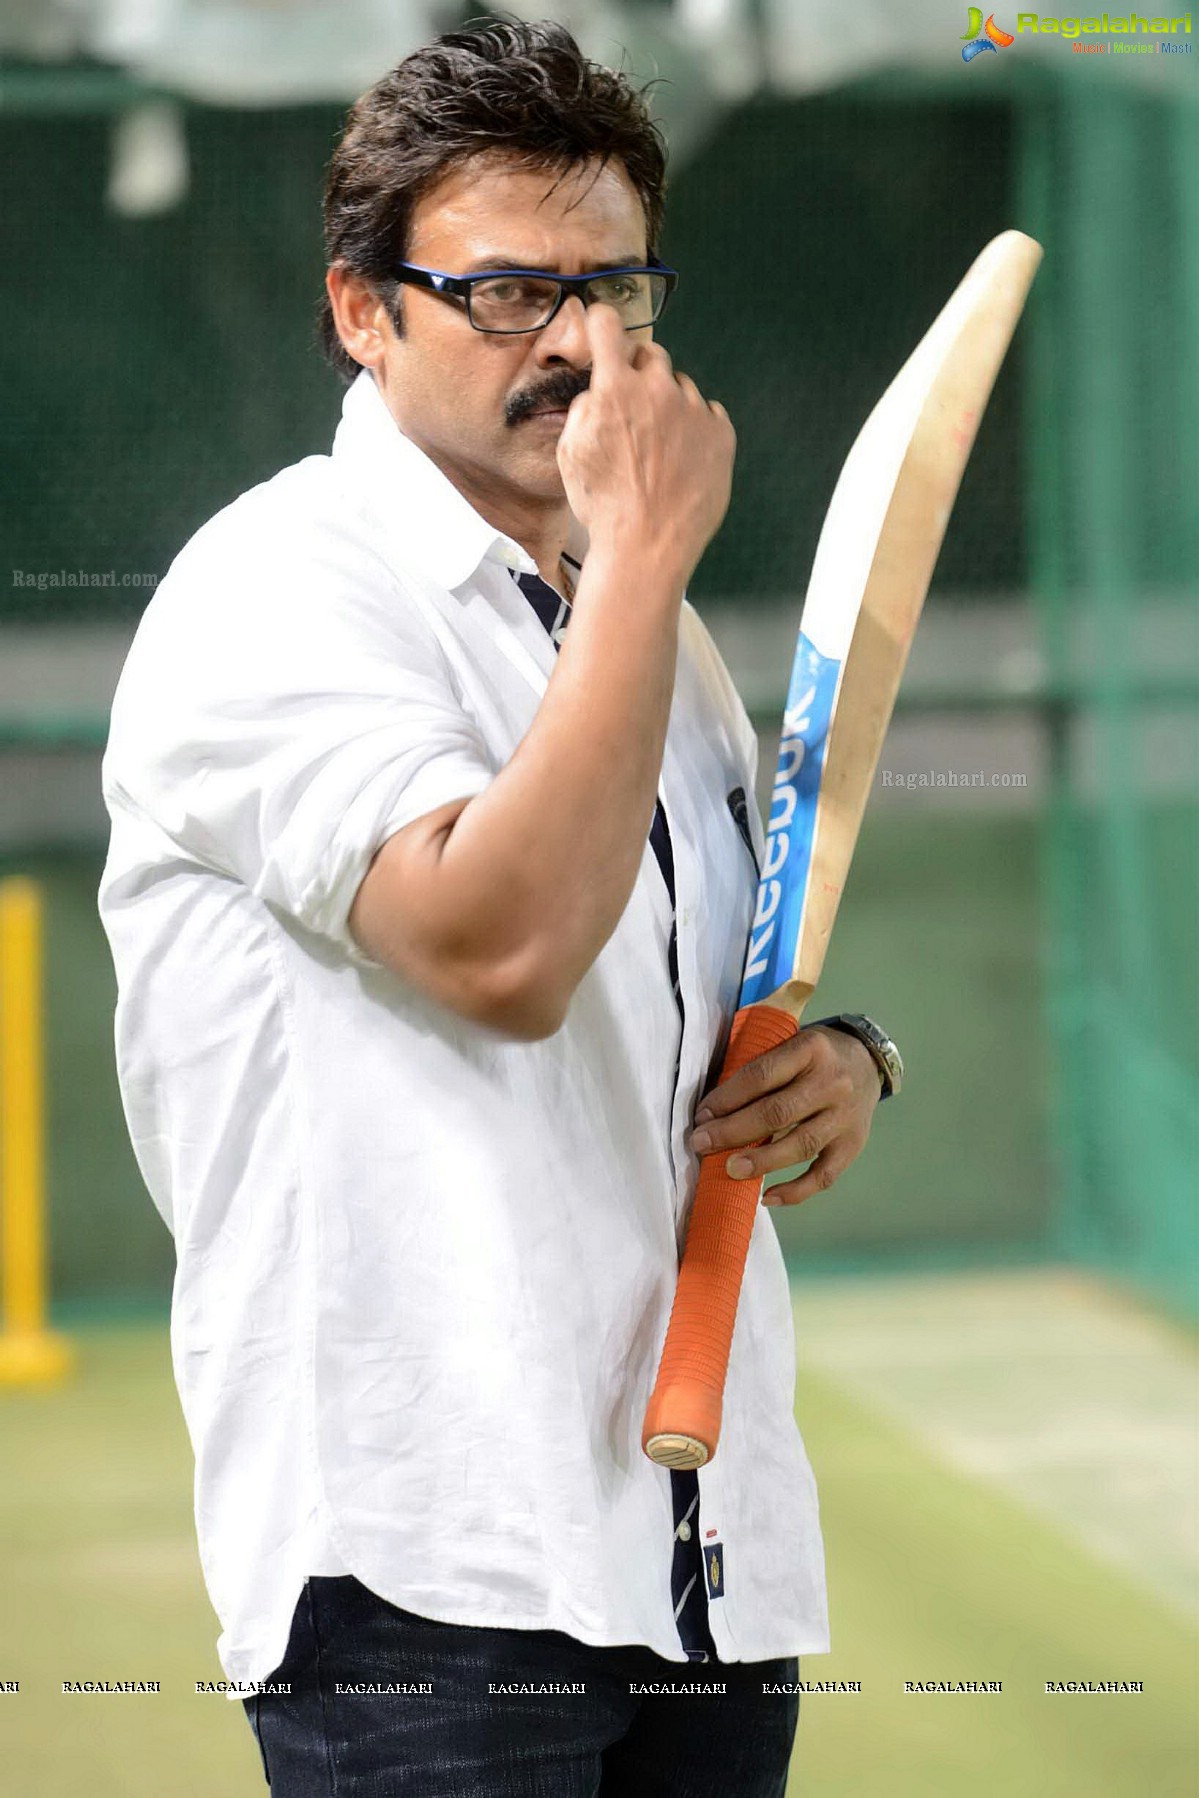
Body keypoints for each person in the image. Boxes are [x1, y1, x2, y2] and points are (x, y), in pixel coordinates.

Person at [99, 20, 901, 1796]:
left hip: (695, 1560)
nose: (581, 347)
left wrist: (845, 1061)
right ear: (361, 313)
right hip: (420, 1577)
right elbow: (506, 949)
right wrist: (648, 560)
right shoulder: (274, 590)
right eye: (507, 294)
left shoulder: (634, 623)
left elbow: (682, 994)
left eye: (615, 287)